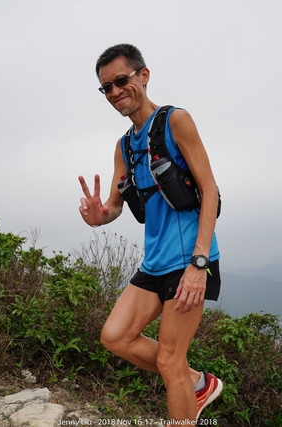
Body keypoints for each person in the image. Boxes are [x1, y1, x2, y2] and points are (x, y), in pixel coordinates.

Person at [78, 44, 222, 424]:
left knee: (170, 360)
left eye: (120, 80)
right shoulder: (124, 146)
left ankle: (188, 390)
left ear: (143, 75)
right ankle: (198, 383)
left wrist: (199, 265)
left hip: (189, 259)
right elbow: (114, 206)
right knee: (114, 336)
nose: (114, 92)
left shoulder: (176, 121)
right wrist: (99, 216)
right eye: (106, 87)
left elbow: (210, 190)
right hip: (154, 263)